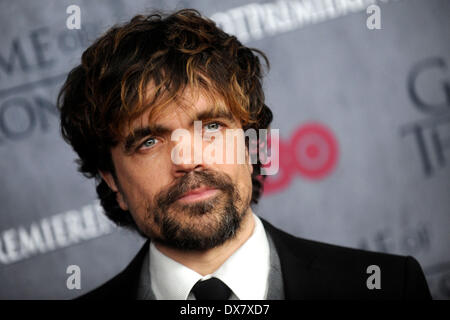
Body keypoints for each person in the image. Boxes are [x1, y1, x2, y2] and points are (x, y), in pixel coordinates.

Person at [57, 9, 431, 300]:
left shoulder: (388, 288)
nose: (188, 159)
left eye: (212, 127)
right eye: (149, 141)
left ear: (252, 144)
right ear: (112, 180)